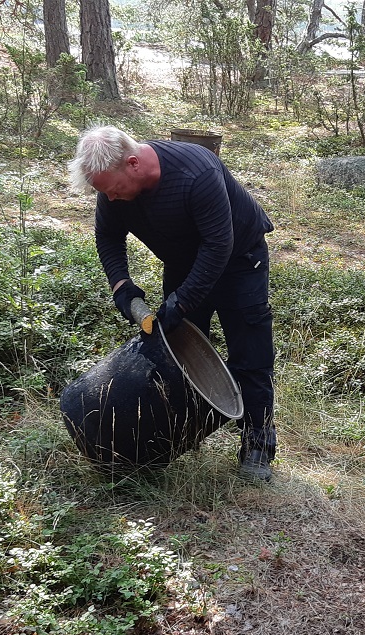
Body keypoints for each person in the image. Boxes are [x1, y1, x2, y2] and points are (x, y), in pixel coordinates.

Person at [66, 125, 277, 482]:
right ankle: (180, 434)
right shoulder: (112, 187)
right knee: (177, 358)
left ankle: (258, 446)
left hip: (240, 262)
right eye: (105, 193)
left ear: (132, 163)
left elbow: (217, 245)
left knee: (250, 357)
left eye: (114, 190)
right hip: (183, 265)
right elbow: (108, 236)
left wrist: (180, 304)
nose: (111, 199)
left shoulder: (197, 171)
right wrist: (122, 287)